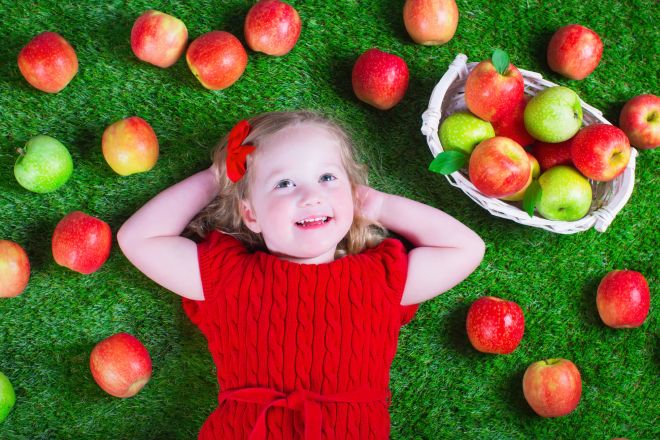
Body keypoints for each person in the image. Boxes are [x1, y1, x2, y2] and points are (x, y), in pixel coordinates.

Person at [117, 110, 485, 439]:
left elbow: (466, 249)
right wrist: (216, 179)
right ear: (251, 215)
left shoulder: (379, 279)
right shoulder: (228, 276)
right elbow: (138, 239)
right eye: (284, 184)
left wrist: (377, 204)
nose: (310, 195)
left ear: (353, 192)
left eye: (327, 177)